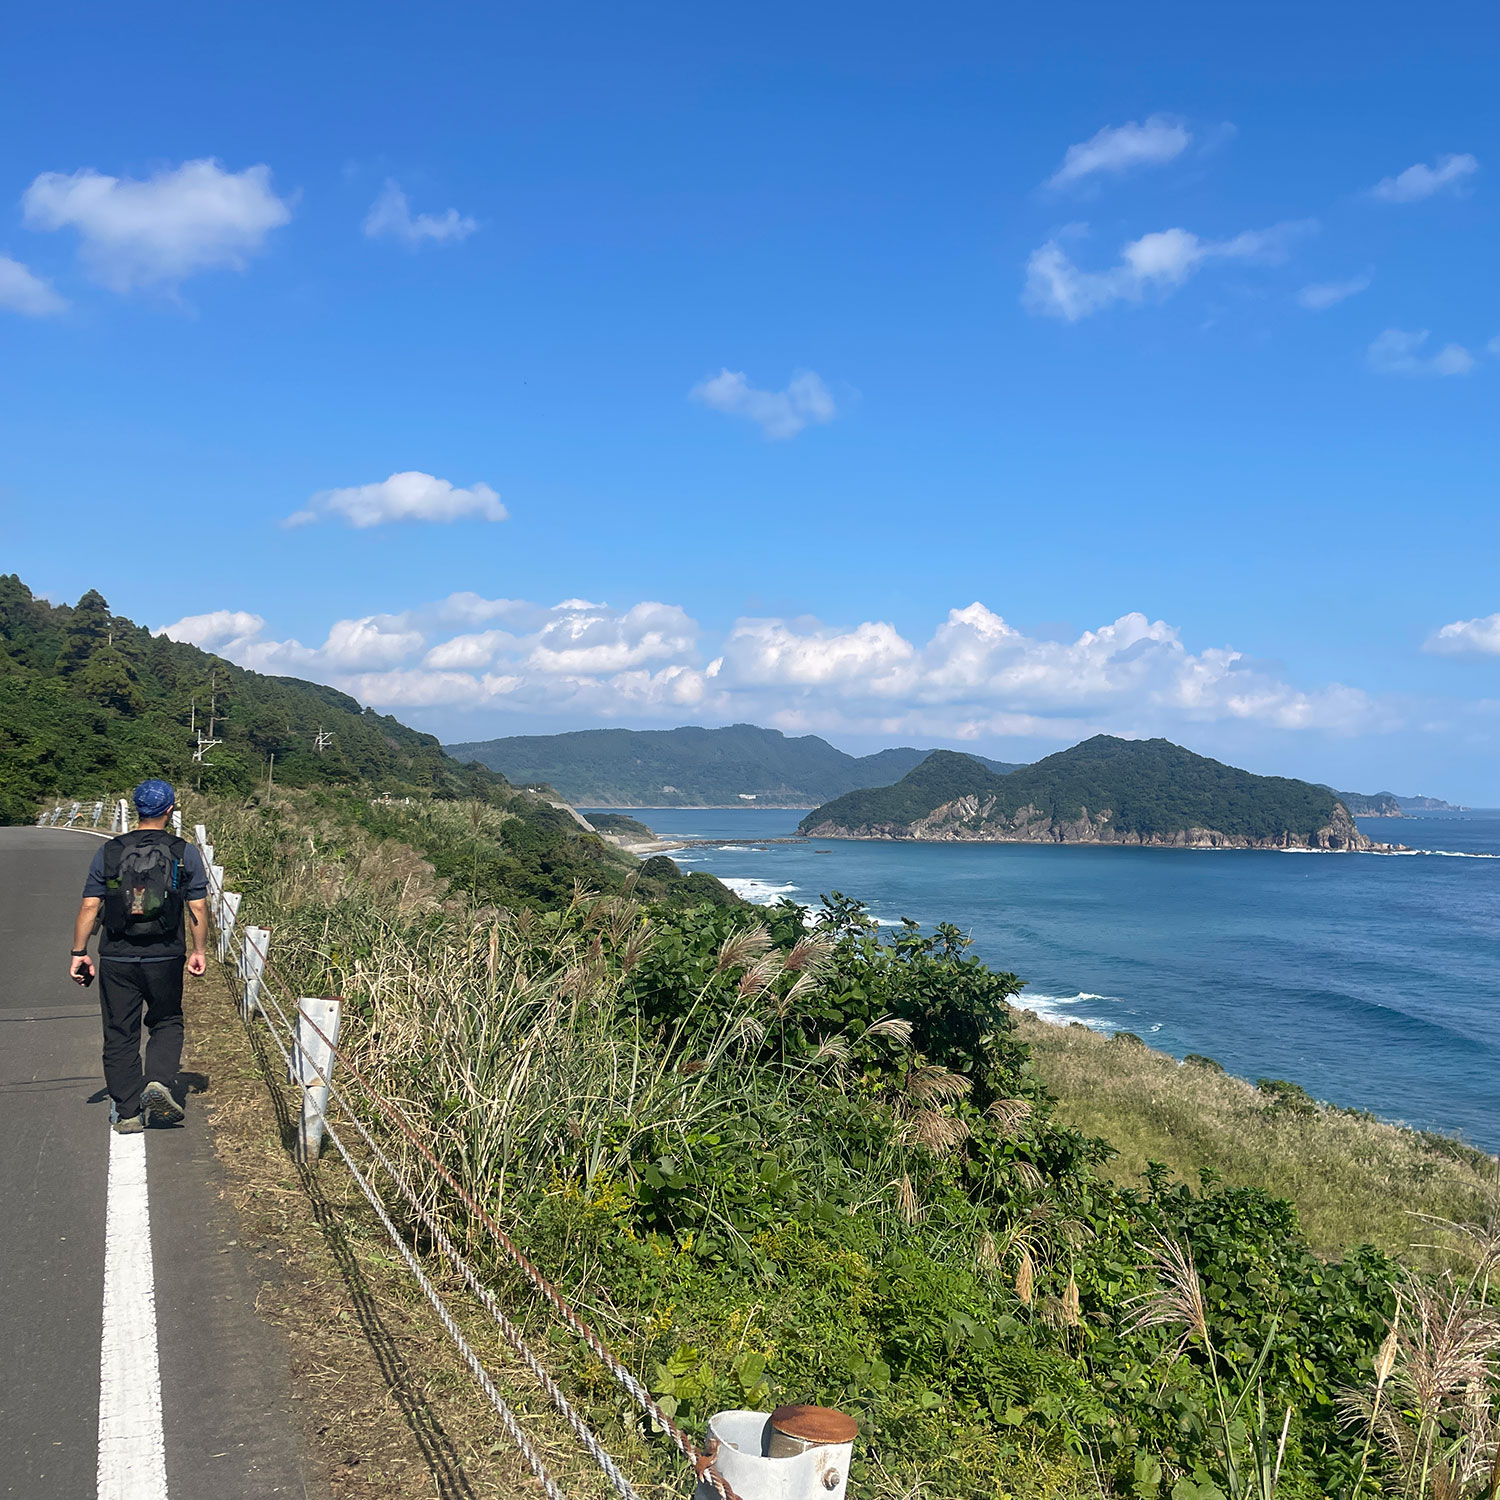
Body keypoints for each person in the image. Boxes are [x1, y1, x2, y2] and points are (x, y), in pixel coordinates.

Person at [69, 779, 210, 1133]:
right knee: (166, 1020)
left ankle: (128, 1112)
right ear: (170, 810)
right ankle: (158, 1080)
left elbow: (90, 904)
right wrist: (198, 950)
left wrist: (79, 951)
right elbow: (197, 906)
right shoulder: (183, 851)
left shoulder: (111, 851)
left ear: (136, 809)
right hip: (165, 954)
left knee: (120, 1031)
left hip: (117, 954)